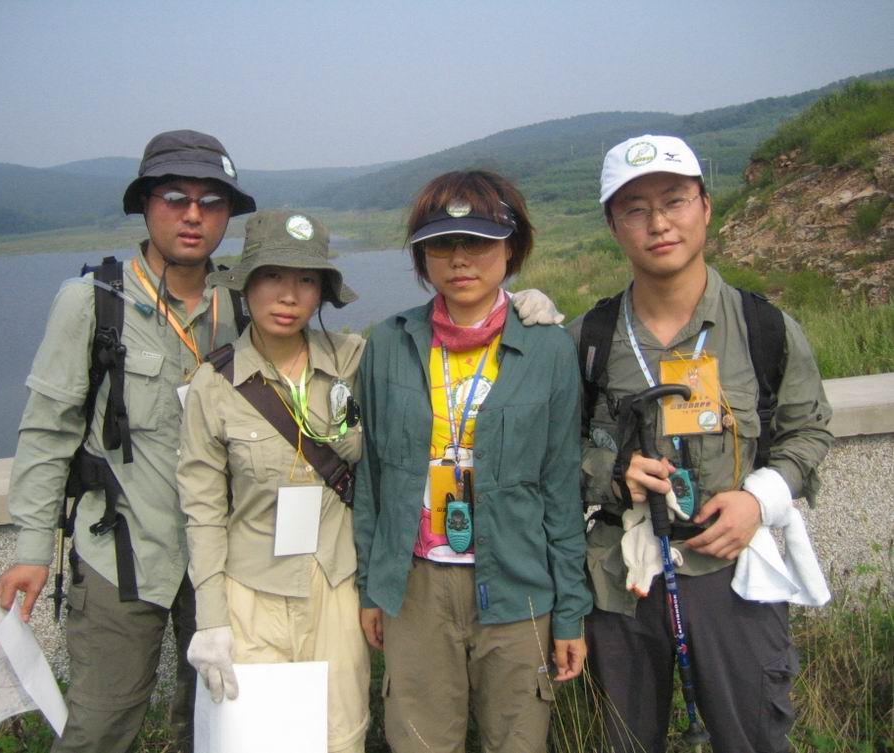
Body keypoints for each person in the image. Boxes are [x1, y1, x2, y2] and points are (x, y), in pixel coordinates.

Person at [0, 129, 256, 753]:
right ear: (144, 205)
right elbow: (47, 431)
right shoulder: (92, 301)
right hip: (122, 552)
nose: (193, 215)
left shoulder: (244, 303)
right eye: (175, 197)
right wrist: (32, 548)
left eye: (211, 201)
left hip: (222, 561)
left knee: (216, 723)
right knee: (101, 726)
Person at [569, 134, 833, 753]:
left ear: (706, 207)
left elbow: (807, 429)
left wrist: (759, 500)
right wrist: (610, 471)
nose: (658, 223)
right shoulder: (587, 340)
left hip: (733, 574)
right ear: (612, 225)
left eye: (675, 201)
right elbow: (552, 452)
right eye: (635, 209)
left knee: (753, 736)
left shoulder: (764, 328)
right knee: (625, 741)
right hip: (621, 580)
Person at [353, 170, 592, 753]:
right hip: (414, 586)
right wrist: (370, 588)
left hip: (517, 584)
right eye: (442, 243)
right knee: (419, 742)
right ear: (422, 255)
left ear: (511, 248)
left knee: (518, 740)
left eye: (479, 242)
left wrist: (570, 612)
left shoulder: (549, 348)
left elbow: (561, 489)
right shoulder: (389, 343)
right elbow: (373, 480)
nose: (460, 259)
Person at [176, 209, 371, 753]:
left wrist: (514, 308)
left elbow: (436, 349)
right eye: (272, 277)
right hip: (250, 597)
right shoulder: (213, 385)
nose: (288, 295)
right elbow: (203, 510)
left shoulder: (355, 361)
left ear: (322, 292)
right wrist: (211, 619)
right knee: (259, 741)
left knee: (340, 738)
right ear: (246, 286)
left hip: (335, 586)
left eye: (306, 279)